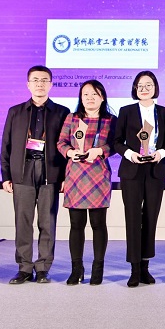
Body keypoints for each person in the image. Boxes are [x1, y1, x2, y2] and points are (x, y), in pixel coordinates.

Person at [1, 65, 70, 284]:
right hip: (22, 172)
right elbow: (6, 145)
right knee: (23, 222)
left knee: (47, 222)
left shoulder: (62, 112)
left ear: (51, 84)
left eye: (44, 80)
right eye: (35, 80)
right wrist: (6, 175)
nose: (40, 84)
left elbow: (67, 145)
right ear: (28, 84)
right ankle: (24, 268)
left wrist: (65, 176)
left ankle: (42, 268)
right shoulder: (15, 112)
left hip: (51, 171)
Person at [114, 71, 165, 287]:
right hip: (132, 170)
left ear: (155, 87)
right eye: (140, 85)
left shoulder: (164, 113)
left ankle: (146, 267)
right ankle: (134, 269)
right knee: (132, 218)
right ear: (135, 89)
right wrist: (131, 154)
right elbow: (117, 141)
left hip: (155, 170)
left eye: (149, 85)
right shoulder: (126, 111)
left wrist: (161, 153)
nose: (144, 89)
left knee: (150, 217)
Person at [57, 80, 117, 286]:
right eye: (86, 94)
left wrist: (100, 150)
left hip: (98, 175)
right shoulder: (72, 118)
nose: (90, 98)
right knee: (76, 224)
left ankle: (98, 268)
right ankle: (76, 269)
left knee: (98, 224)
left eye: (94, 94)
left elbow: (116, 144)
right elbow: (61, 142)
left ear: (102, 97)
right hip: (75, 175)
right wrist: (70, 152)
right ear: (80, 98)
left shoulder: (110, 120)